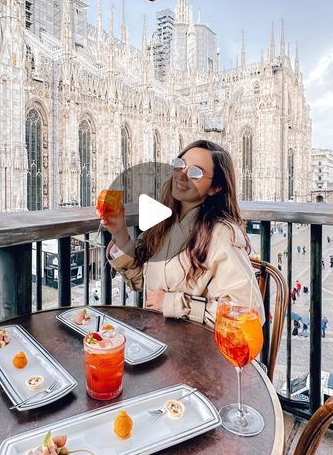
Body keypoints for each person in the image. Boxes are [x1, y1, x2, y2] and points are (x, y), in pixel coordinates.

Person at [100, 140, 265, 328]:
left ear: (215, 188)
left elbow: (250, 314)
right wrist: (120, 232)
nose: (182, 175)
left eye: (196, 173)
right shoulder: (164, 223)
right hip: (159, 337)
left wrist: (176, 304)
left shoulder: (221, 234)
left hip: (196, 350)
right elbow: (144, 284)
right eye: (180, 165)